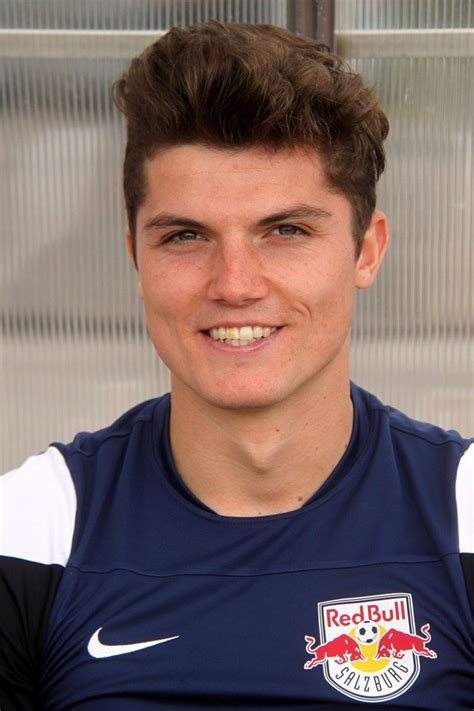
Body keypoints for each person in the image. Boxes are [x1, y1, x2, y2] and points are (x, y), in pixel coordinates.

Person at [0, 20, 472, 710]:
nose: (235, 284)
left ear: (367, 251)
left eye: (286, 231)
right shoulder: (31, 529)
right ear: (136, 259)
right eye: (185, 236)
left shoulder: (463, 513)